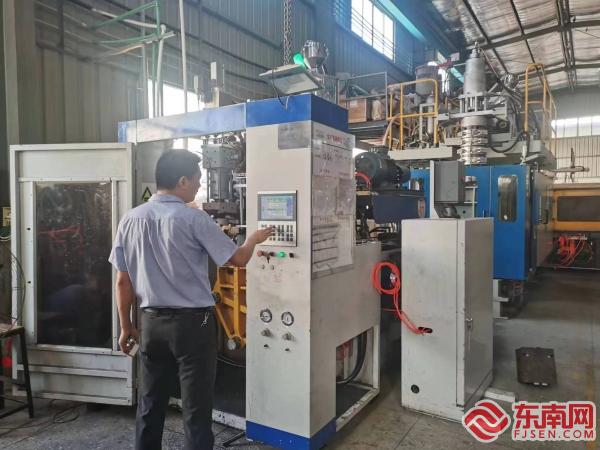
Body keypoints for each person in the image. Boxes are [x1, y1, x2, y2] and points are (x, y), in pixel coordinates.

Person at [108, 150, 273, 450]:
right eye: (197, 179)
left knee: (150, 402)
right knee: (196, 409)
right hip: (192, 327)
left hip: (150, 323)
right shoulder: (194, 218)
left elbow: (123, 281)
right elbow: (238, 259)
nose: (199, 185)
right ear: (182, 181)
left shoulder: (130, 219)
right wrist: (253, 239)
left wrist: (126, 326)